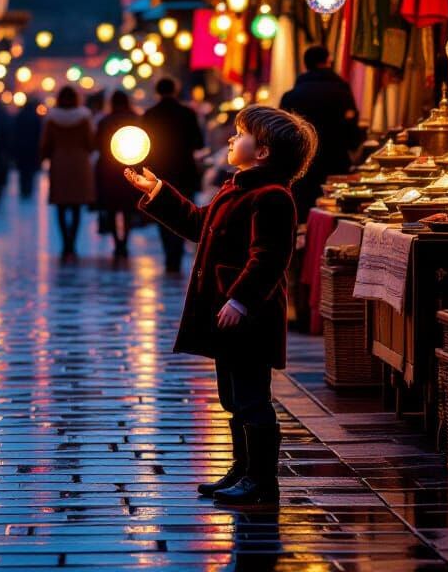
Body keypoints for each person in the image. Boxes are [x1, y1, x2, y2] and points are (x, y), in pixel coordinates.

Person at [125, 105, 317, 506]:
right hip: (225, 313)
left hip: (249, 315)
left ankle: (262, 480)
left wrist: (242, 300)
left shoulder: (273, 197)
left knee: (252, 398)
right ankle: (242, 469)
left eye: (241, 133)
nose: (231, 139)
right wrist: (158, 192)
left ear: (262, 151)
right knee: (232, 398)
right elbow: (198, 224)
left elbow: (269, 257)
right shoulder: (237, 187)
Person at [280, 45, 362, 220]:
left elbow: (282, 134)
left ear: (305, 64)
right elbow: (351, 129)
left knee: (304, 213)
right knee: (333, 211)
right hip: (335, 161)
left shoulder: (292, 95)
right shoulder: (342, 91)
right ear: (328, 61)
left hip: (302, 165)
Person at [141, 77, 204, 271]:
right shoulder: (187, 113)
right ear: (176, 90)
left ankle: (169, 253)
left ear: (157, 91)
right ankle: (177, 251)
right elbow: (198, 143)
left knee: (163, 210)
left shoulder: (150, 115)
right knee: (185, 209)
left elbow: (144, 145)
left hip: (160, 169)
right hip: (184, 169)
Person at [40, 85, 95, 259]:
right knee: (77, 206)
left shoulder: (51, 118)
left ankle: (65, 243)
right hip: (80, 163)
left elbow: (45, 144)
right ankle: (73, 242)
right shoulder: (85, 117)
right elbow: (91, 142)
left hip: (59, 162)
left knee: (61, 206)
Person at [94, 89, 141, 259]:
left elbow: (96, 143)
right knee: (128, 207)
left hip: (108, 168)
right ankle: (125, 241)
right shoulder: (136, 119)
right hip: (131, 166)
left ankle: (117, 242)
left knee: (112, 207)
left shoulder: (105, 121)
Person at [14, 96, 43, 199]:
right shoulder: (36, 117)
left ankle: (23, 189)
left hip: (21, 148)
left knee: (23, 171)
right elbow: (39, 134)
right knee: (30, 171)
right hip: (32, 148)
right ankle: (28, 189)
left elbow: (15, 132)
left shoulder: (20, 115)